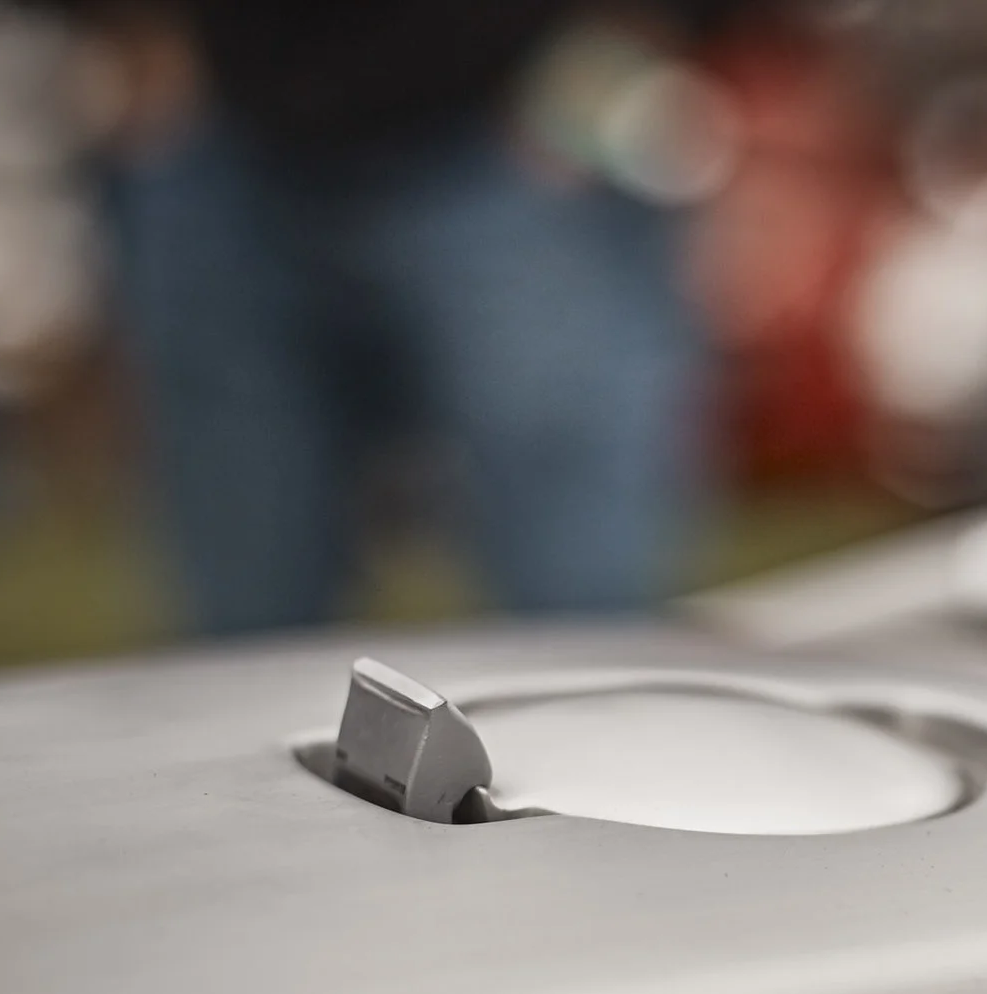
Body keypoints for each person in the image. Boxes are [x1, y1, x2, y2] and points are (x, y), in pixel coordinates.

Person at [78, 1, 736, 633]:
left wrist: (624, 36)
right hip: (228, 129)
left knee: (582, 617)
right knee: (247, 618)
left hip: (514, 132)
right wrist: (131, 30)